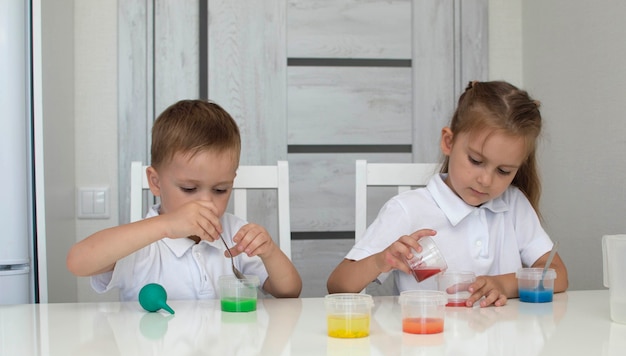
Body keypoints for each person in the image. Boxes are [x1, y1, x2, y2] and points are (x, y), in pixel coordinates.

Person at [327, 80, 568, 307]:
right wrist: (381, 260)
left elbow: (558, 276)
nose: (486, 180)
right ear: (448, 142)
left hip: (501, 344)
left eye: (504, 171)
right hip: (427, 343)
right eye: (475, 160)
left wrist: (502, 284)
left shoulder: (514, 205)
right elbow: (338, 285)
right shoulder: (408, 210)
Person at [67, 99, 302, 300]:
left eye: (220, 190)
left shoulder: (234, 234)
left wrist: (269, 252)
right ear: (156, 183)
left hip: (225, 350)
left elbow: (288, 292)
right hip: (153, 352)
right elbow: (78, 262)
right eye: (189, 188)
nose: (207, 203)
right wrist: (166, 226)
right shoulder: (141, 244)